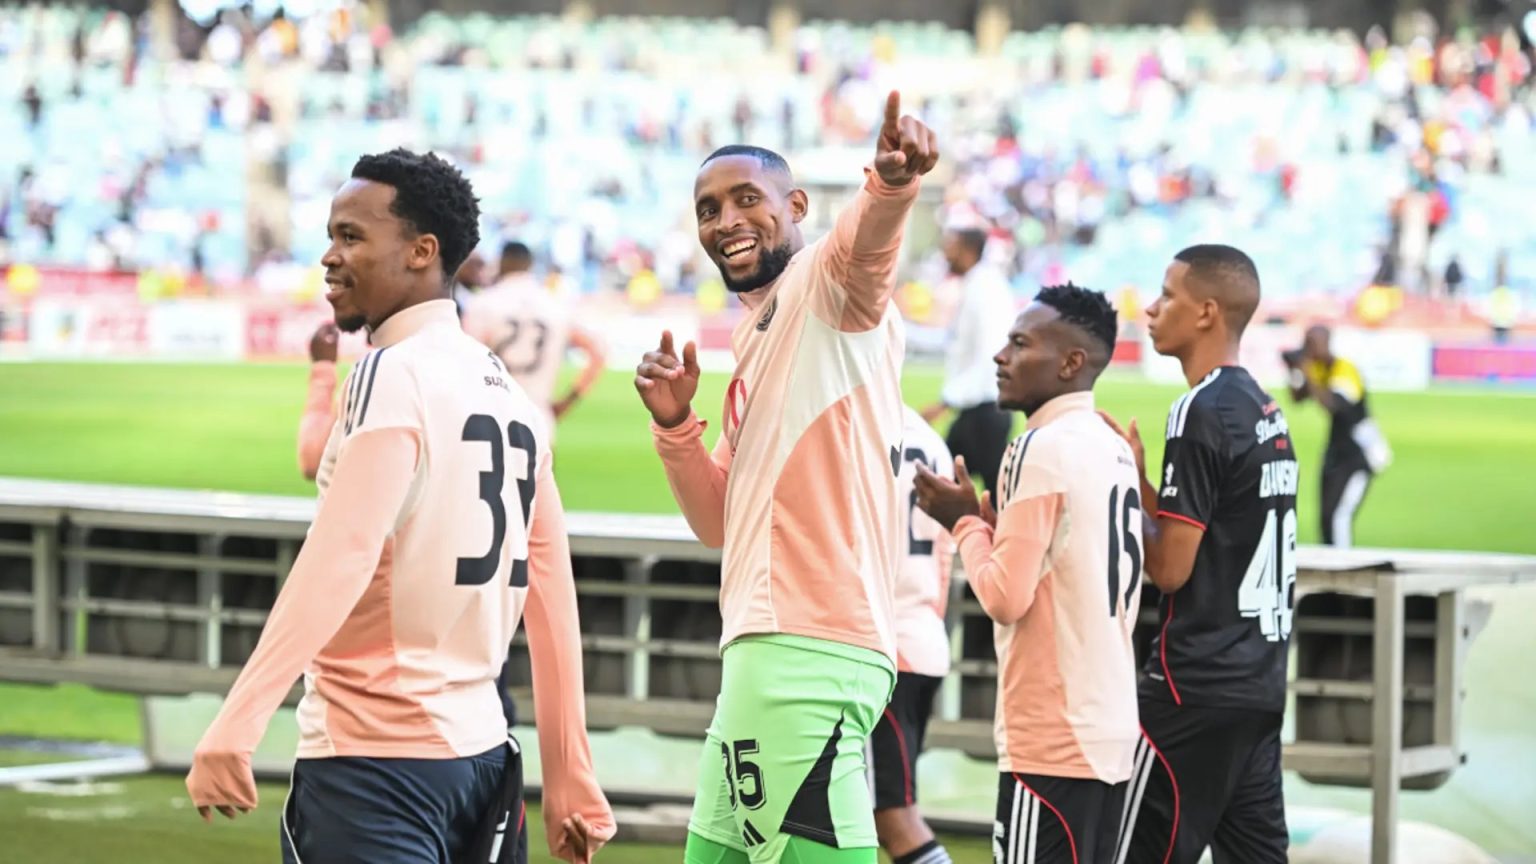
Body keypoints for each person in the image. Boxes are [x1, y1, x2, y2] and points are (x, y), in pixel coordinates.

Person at [185, 148, 614, 864]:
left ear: (422, 251)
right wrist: (570, 769)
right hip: (483, 762)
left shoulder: (388, 372)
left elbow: (343, 555)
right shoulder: (509, 395)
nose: (329, 257)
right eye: (331, 235)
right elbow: (551, 589)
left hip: (374, 763)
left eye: (351, 236)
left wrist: (240, 716)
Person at [632, 90, 938, 864]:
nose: (725, 220)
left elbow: (865, 250)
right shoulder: (760, 339)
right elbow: (718, 522)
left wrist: (891, 183)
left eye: (746, 199)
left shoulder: (821, 287)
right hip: (770, 647)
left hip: (804, 647)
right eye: (708, 209)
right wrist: (676, 426)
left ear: (795, 206)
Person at [914, 284, 1143, 864]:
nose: (1001, 356)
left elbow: (1003, 597)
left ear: (1070, 363)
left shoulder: (1039, 447)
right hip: (1111, 727)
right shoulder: (1112, 444)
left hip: (1053, 736)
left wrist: (963, 522)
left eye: (1020, 344)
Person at [1101, 245, 1297, 864]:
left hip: (1192, 692)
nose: (1151, 309)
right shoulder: (1263, 408)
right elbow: (1204, 530)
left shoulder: (1198, 409)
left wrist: (1120, 491)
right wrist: (1142, 479)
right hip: (1258, 686)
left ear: (1207, 312)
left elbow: (1169, 568)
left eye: (1167, 296)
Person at [871, 405, 957, 864]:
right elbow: (945, 558)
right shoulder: (931, 441)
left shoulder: (858, 424)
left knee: (893, 818)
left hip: (879, 653)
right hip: (922, 640)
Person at [462, 240, 607, 439]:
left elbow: (465, 362)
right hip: (539, 418)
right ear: (529, 265)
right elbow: (598, 352)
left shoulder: (482, 304)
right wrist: (569, 400)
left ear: (501, 263)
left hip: (490, 420)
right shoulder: (555, 304)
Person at [919, 227, 1016, 499]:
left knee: (984, 494)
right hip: (978, 410)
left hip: (985, 410)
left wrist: (946, 402)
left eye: (951, 246)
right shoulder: (977, 284)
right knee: (947, 485)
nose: (945, 253)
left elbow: (990, 354)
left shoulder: (985, 289)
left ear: (968, 250)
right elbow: (958, 344)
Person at [1284, 325, 1388, 547]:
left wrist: (1307, 372)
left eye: (1312, 344)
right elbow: (1296, 398)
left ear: (1326, 343)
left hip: (1360, 453)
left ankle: (1342, 562)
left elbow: (1333, 405)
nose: (1308, 349)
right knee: (1326, 516)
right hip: (1337, 451)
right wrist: (1294, 372)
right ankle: (1331, 557)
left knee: (1338, 516)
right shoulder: (1318, 368)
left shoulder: (1345, 369)